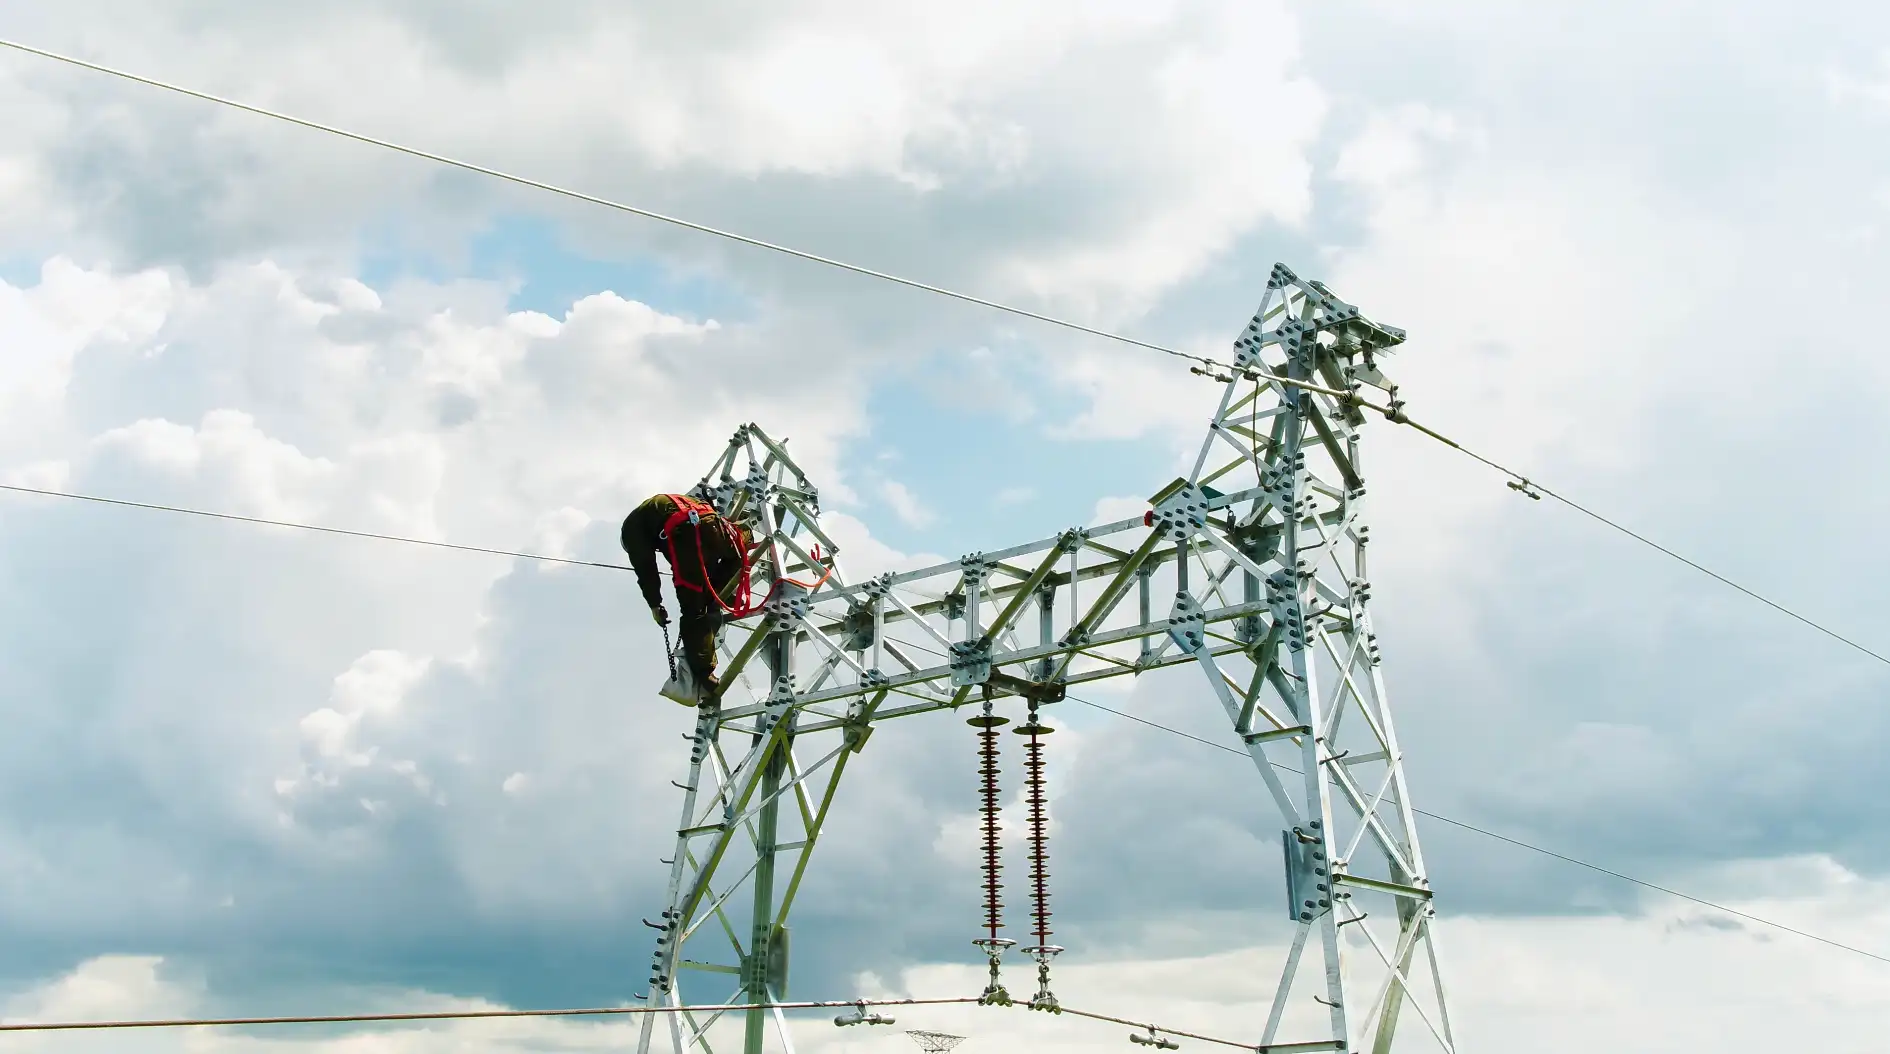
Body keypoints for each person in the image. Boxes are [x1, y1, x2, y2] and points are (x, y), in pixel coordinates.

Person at [621, 492, 750, 699]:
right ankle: (721, 592)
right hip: (714, 526)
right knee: (739, 551)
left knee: (693, 608)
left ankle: (703, 675)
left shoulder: (632, 530)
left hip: (687, 533)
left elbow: (646, 571)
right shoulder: (663, 506)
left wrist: (655, 605)